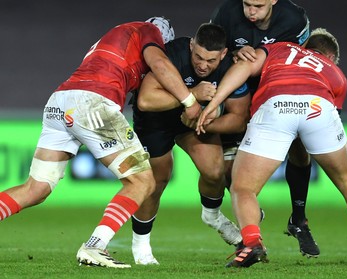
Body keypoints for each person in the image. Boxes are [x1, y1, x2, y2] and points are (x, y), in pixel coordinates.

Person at [0, 17, 203, 269]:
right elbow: (160, 63)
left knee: (36, 188)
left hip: (59, 103)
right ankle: (95, 246)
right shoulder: (148, 30)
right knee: (142, 180)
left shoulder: (115, 41)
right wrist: (190, 101)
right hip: (92, 104)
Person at [196, 28, 347, 268]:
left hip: (277, 103)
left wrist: (213, 104)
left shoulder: (280, 48)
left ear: (305, 44)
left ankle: (252, 244)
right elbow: (330, 117)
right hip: (317, 106)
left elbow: (245, 68)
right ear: (329, 57)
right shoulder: (336, 73)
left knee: (243, 187)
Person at [129, 23, 251, 265]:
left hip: (194, 121)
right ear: (191, 45)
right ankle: (141, 247)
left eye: (211, 61)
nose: (203, 65)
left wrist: (204, 122)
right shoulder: (173, 53)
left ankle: (212, 216)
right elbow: (145, 100)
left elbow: (239, 119)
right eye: (198, 57)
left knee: (214, 171)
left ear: (224, 54)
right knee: (156, 180)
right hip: (155, 122)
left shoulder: (230, 67)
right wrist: (192, 94)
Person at [211, 0, 319, 257]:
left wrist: (259, 53)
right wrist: (234, 54)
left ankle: (299, 221)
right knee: (231, 171)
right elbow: (214, 51)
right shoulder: (226, 13)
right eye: (247, 4)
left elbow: (297, 60)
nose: (250, 11)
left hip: (276, 93)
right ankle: (250, 236)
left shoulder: (294, 19)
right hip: (240, 95)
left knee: (300, 151)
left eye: (258, 5)